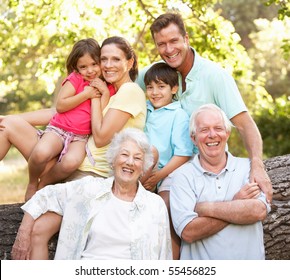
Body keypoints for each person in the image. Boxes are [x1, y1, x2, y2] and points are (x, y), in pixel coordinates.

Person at [1, 36, 147, 259]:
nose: (108, 65)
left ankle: (41, 185)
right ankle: (38, 183)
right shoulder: (102, 86)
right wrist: (17, 117)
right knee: (7, 123)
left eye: (115, 59)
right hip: (66, 156)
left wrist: (96, 96)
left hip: (86, 170)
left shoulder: (126, 92)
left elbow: (99, 137)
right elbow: (60, 112)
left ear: (129, 61)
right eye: (104, 59)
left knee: (38, 229)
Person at [135, 12, 272, 203]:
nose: (169, 49)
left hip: (205, 173)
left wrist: (257, 165)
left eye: (174, 41)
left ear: (186, 39)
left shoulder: (215, 76)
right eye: (161, 44)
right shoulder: (156, 73)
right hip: (162, 171)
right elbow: (124, 86)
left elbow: (245, 125)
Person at [11, 128, 172, 260]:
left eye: (137, 158)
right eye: (124, 154)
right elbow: (44, 196)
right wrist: (24, 233)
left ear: (143, 166)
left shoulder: (155, 205)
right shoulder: (89, 189)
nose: (130, 162)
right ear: (113, 159)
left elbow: (164, 256)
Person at [170, 104, 271, 259]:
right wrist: (237, 202)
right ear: (193, 138)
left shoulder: (249, 168)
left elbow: (258, 211)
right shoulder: (181, 176)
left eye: (218, 128)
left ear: (227, 133)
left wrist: (205, 208)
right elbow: (188, 232)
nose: (212, 135)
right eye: (204, 130)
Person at [25, 38, 115, 201]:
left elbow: (101, 114)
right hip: (59, 129)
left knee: (71, 163)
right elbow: (60, 105)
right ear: (76, 67)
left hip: (80, 138)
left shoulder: (108, 87)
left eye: (94, 64)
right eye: (83, 67)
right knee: (40, 153)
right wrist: (85, 94)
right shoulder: (76, 79)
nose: (90, 70)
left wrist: (106, 94)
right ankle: (32, 182)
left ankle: (44, 183)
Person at [142, 62, 193, 259]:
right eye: (150, 87)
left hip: (170, 171)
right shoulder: (144, 108)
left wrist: (158, 177)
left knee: (164, 208)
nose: (155, 92)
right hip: (146, 169)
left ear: (174, 89)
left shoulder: (178, 115)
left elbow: (183, 154)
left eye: (161, 87)